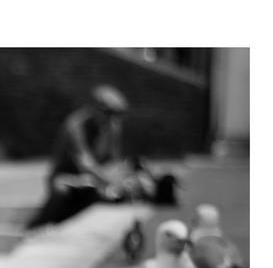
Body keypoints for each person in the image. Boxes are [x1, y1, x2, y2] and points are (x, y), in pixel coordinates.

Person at [25, 85, 176, 231]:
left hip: (94, 180)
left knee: (110, 198)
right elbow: (86, 164)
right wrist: (116, 183)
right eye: (109, 113)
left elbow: (113, 161)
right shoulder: (75, 125)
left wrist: (127, 177)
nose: (113, 119)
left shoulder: (111, 126)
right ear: (93, 108)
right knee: (61, 192)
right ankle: (35, 226)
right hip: (66, 178)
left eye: (117, 114)